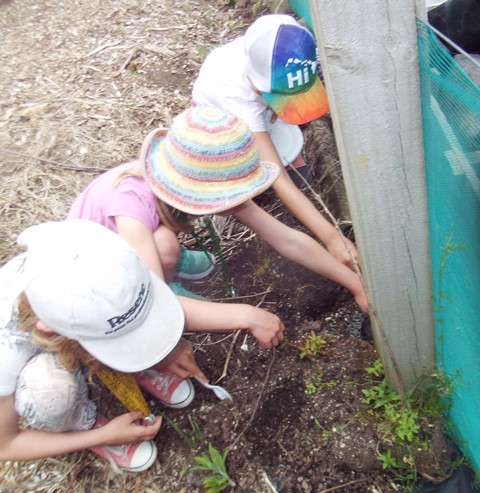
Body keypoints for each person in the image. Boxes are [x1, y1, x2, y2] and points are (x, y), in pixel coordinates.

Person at [0, 219, 193, 472]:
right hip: (38, 365)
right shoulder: (5, 351)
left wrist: (162, 350)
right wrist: (104, 436)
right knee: (49, 393)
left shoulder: (92, 254)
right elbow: (6, 444)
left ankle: (126, 366)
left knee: (102, 322)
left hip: (69, 335)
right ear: (49, 327)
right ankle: (81, 420)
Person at [141, 106, 368, 314]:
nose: (242, 200)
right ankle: (168, 278)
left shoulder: (195, 185)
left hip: (157, 234)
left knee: (166, 243)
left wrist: (355, 283)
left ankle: (172, 262)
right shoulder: (133, 213)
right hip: (126, 271)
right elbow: (153, 300)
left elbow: (288, 240)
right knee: (165, 245)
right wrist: (245, 315)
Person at [191, 14, 360, 271]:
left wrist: (275, 106)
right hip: (219, 126)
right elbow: (276, 176)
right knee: (265, 179)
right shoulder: (236, 98)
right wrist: (332, 237)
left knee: (297, 172)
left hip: (256, 109)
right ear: (261, 88)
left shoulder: (282, 41)